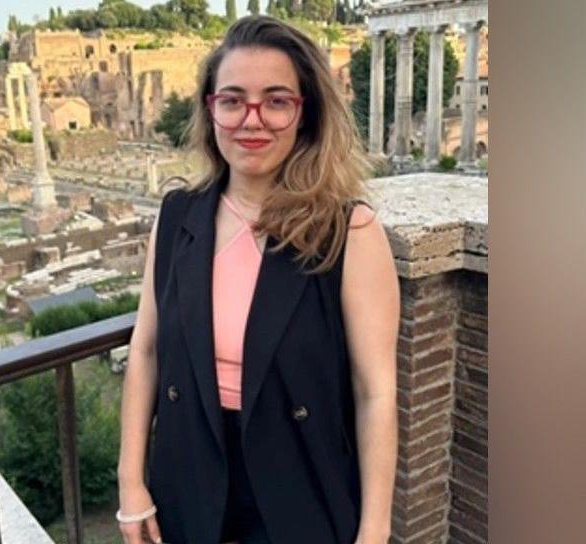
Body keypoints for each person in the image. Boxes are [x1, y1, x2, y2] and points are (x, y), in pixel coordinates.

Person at [117, 15, 399, 544]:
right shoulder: (177, 216)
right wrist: (131, 484)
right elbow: (146, 351)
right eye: (232, 100)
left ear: (304, 113)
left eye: (275, 100)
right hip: (188, 480)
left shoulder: (349, 230)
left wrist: (374, 533)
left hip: (299, 486)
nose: (252, 120)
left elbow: (375, 391)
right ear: (210, 110)